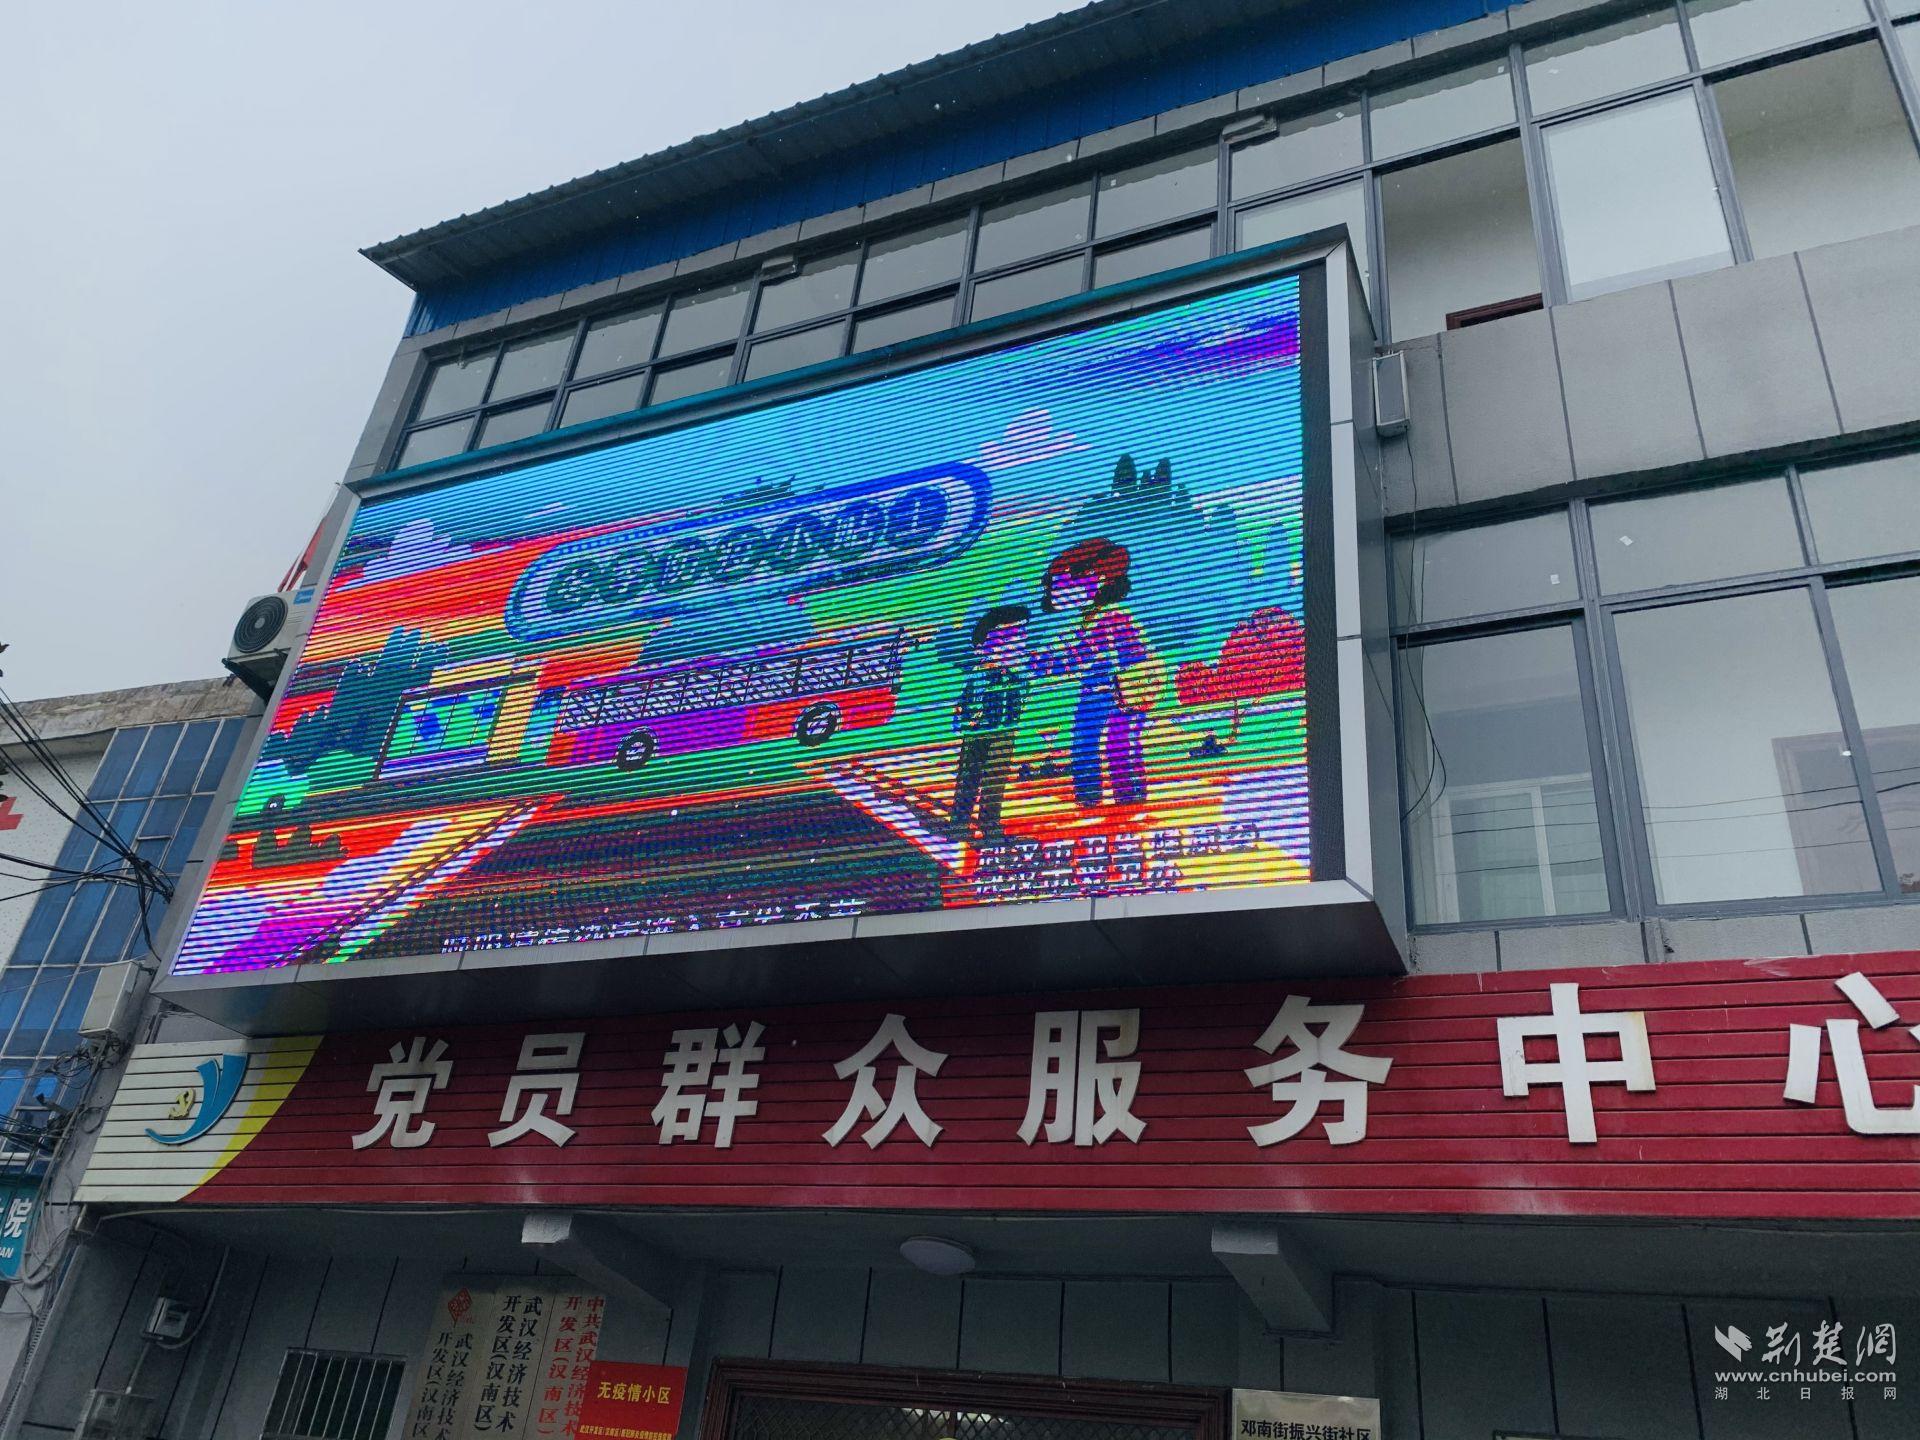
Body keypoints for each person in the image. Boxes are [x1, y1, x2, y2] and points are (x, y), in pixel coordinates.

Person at [1028, 538, 1154, 808]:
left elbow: (1078, 656)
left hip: (1123, 693)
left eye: (1065, 581)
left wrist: (1036, 664)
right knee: (1086, 742)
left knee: (1117, 744)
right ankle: (1092, 796)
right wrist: (1036, 660)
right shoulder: (1085, 620)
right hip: (1096, 691)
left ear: (1100, 578)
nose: (1057, 590)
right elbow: (1065, 649)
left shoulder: (1113, 617)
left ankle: (1128, 798)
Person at [950, 605, 1032, 839]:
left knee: (996, 776)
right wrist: (967, 720)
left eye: (1022, 636)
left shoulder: (1015, 675)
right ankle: (959, 823)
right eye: (1014, 637)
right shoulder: (981, 674)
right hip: (980, 729)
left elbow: (1022, 694)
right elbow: (967, 700)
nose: (1020, 642)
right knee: (970, 775)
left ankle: (989, 822)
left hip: (1006, 729)